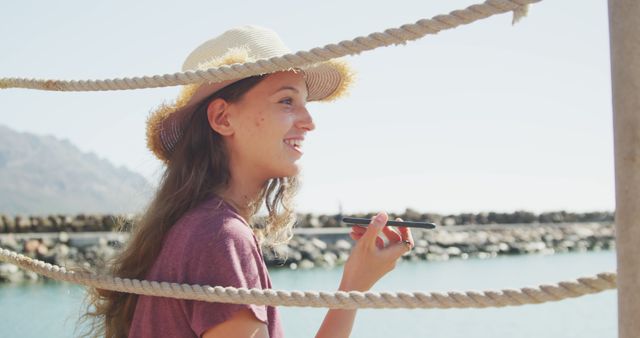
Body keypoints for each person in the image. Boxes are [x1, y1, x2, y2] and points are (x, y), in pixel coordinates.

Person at [82, 25, 414, 338]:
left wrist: (354, 284)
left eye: (305, 104)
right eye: (287, 100)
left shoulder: (194, 226)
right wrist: (352, 289)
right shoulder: (220, 237)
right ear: (223, 118)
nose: (309, 122)